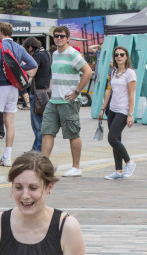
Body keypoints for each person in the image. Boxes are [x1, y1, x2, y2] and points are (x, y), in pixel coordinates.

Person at [0, 22, 37, 167]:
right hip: (14, 88)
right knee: (9, 121)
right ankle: (7, 157)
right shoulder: (19, 47)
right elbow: (33, 63)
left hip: (1, 86)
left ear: (0, 31)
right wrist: (17, 67)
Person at [42, 26, 92, 178]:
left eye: (62, 36)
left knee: (73, 133)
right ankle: (43, 166)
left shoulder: (73, 53)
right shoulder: (55, 54)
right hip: (54, 100)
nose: (59, 38)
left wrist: (77, 92)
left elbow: (88, 71)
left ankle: (76, 167)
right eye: (56, 36)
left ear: (68, 38)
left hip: (68, 101)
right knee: (47, 131)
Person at [98, 46, 136, 181]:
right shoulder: (114, 72)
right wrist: (102, 108)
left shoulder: (130, 73)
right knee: (116, 140)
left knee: (112, 138)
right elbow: (109, 90)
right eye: (116, 55)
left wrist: (130, 113)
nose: (119, 57)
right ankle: (118, 171)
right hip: (112, 109)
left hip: (123, 110)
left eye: (122, 54)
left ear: (126, 57)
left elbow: (132, 94)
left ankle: (129, 162)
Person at [24, 37, 51, 153]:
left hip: (37, 93)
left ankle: (38, 149)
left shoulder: (37, 56)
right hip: (45, 92)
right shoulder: (47, 54)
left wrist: (23, 65)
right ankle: (36, 147)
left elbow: (31, 72)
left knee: (37, 124)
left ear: (30, 47)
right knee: (40, 123)